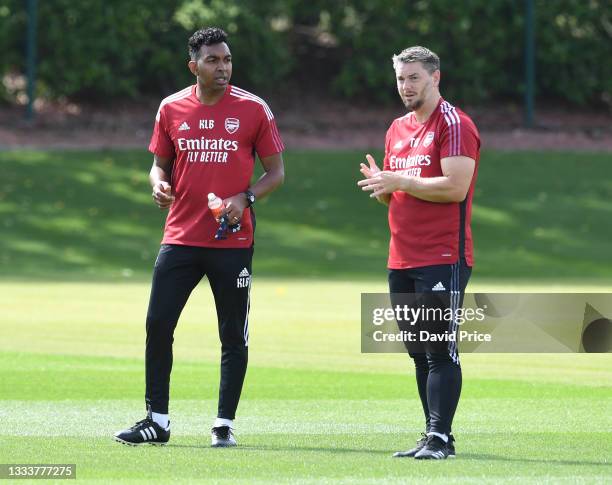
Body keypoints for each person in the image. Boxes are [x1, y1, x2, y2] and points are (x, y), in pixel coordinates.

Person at [114, 27, 285, 447]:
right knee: (158, 324)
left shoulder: (253, 109)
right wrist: (156, 184)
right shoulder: (171, 108)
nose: (223, 67)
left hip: (232, 241)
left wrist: (245, 198)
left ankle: (224, 424)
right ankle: (157, 421)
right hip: (180, 238)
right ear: (194, 66)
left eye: (226, 59)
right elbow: (159, 165)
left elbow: (276, 173)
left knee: (232, 334)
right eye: (213, 60)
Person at [358, 46, 480, 459]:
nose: (405, 86)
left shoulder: (454, 124)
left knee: (439, 348)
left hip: (443, 254)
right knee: (418, 353)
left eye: (413, 78)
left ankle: (441, 438)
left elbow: (455, 186)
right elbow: (397, 194)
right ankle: (431, 436)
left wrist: (401, 182)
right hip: (402, 257)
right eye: (400, 79)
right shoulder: (397, 128)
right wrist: (384, 186)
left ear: (435, 78)